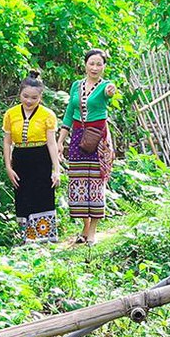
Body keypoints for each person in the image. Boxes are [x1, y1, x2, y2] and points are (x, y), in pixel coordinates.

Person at [1, 70, 63, 244]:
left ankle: (44, 238)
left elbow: (51, 143)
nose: (29, 101)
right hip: (20, 158)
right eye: (25, 96)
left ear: (40, 97)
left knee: (42, 195)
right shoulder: (11, 114)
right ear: (20, 93)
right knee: (22, 196)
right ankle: (26, 238)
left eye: (34, 98)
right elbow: (7, 142)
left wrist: (56, 170)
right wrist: (8, 166)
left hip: (41, 158)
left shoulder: (47, 115)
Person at [63, 46, 117, 244]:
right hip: (78, 136)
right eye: (91, 63)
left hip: (98, 137)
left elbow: (110, 92)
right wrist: (61, 140)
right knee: (78, 181)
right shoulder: (76, 85)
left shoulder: (105, 86)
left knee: (95, 181)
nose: (95, 68)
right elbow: (69, 112)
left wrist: (111, 91)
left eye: (99, 64)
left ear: (104, 67)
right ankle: (85, 226)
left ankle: (93, 231)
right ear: (85, 65)